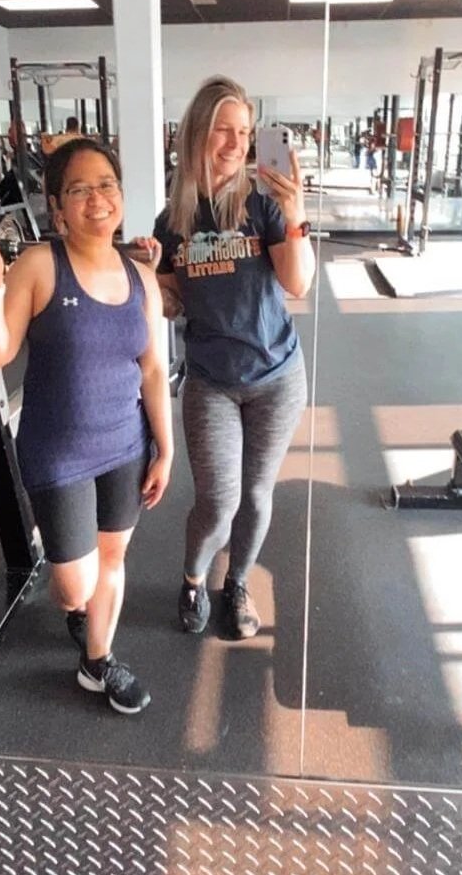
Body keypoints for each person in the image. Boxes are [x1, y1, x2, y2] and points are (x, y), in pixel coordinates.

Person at [0, 137, 173, 714]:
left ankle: (97, 662)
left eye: (106, 185)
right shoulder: (39, 266)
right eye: (79, 189)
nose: (96, 198)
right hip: (59, 453)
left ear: (120, 196)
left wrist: (166, 449)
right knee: (75, 587)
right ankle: (81, 613)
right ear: (57, 207)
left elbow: (153, 370)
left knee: (112, 561)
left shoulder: (142, 279)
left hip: (126, 444)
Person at [151, 75, 315, 640]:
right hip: (212, 382)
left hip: (276, 376)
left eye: (244, 132)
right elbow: (171, 302)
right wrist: (149, 277)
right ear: (197, 132)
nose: (235, 143)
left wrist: (295, 216)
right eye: (223, 129)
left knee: (255, 494)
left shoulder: (264, 205)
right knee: (217, 502)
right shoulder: (172, 223)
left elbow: (297, 283)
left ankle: (237, 581)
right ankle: (195, 577)